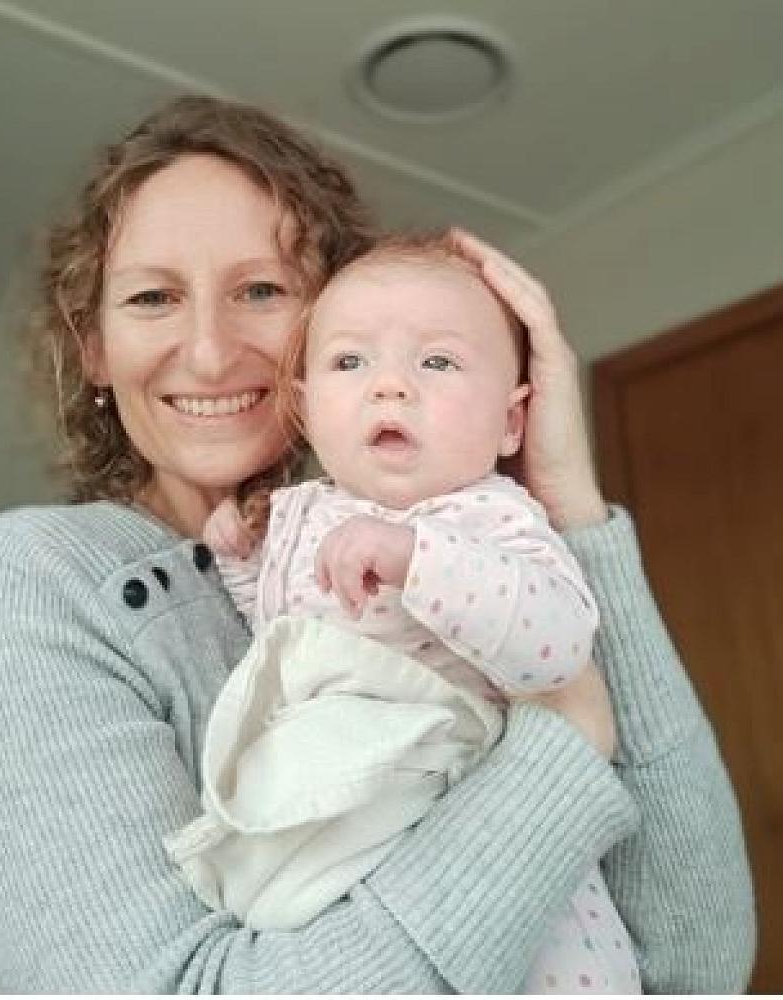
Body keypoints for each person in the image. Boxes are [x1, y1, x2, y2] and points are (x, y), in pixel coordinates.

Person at [0, 94, 755, 994]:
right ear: (94, 346)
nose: (208, 352)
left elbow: (697, 964)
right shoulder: (40, 578)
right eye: (152, 297)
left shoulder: (450, 545)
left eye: (260, 290)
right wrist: (559, 748)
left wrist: (569, 506)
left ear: (328, 315)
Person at [165, 233, 641, 993]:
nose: (390, 386)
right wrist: (240, 558)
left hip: (486, 825)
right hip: (337, 840)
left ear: (511, 423)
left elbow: (557, 646)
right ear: (305, 408)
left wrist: (421, 559)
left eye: (438, 362)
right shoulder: (297, 512)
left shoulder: (491, 516)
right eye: (350, 362)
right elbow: (281, 634)